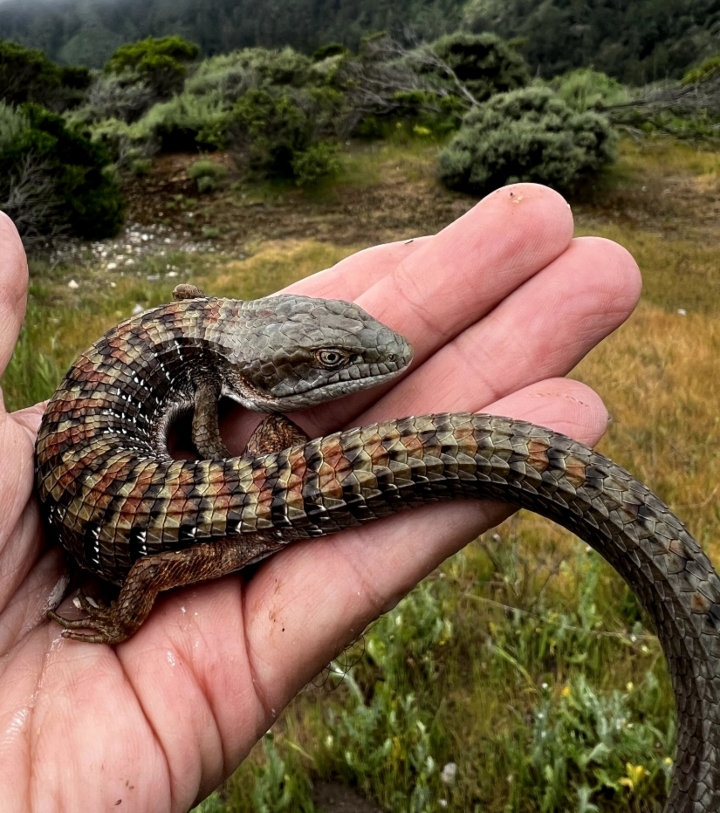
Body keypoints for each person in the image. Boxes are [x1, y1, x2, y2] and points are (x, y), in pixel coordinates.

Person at [0, 184, 641, 811]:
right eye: (333, 359)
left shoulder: (201, 338)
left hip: (186, 487)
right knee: (162, 562)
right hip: (215, 528)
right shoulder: (216, 369)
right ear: (253, 372)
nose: (359, 363)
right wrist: (118, 623)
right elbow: (147, 565)